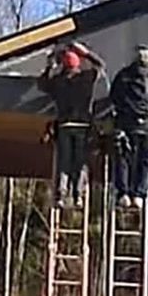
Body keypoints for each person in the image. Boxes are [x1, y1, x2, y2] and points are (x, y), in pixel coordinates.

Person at [37, 41, 104, 208]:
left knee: (64, 162)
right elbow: (100, 66)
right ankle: (78, 195)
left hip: (64, 125)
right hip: (82, 125)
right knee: (80, 162)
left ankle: (61, 195)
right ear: (78, 64)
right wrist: (86, 53)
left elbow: (42, 84)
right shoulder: (85, 79)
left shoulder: (58, 81)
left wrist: (50, 65)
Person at [107, 44, 148, 208]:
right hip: (147, 125)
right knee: (146, 160)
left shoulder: (123, 76)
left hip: (126, 123)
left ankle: (123, 193)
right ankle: (139, 195)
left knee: (123, 158)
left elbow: (114, 98)